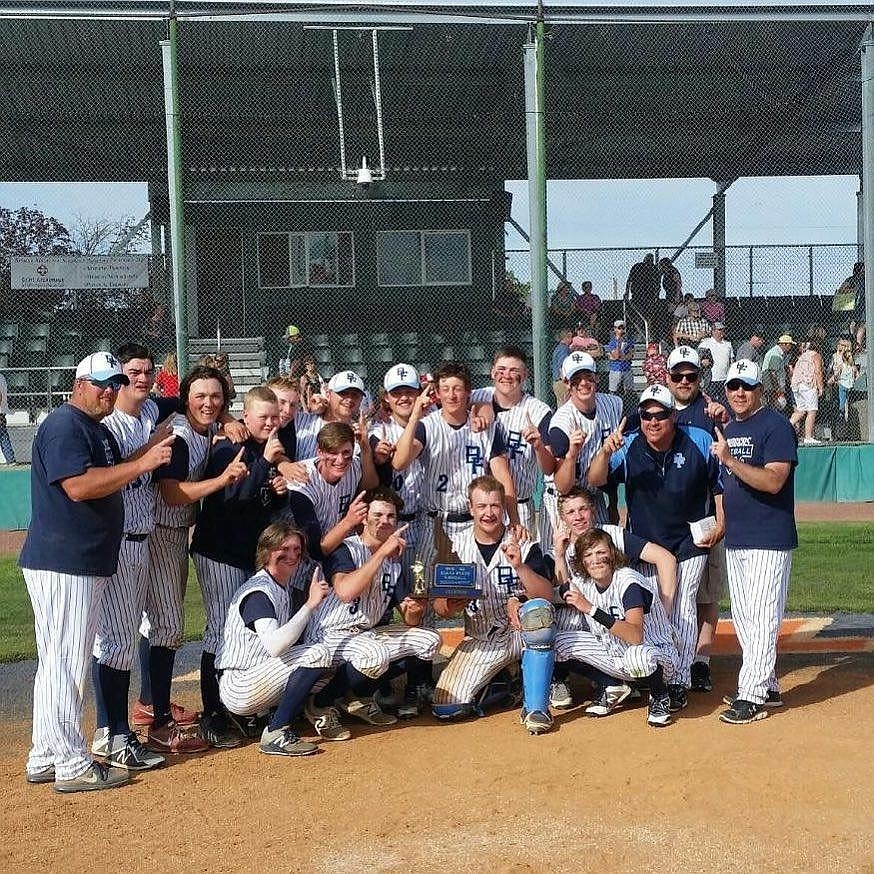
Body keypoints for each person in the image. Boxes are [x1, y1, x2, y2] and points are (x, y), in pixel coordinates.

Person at [19, 351, 174, 792]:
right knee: (67, 664)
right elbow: (79, 486)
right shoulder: (65, 424)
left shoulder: (93, 427)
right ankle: (71, 763)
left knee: (55, 662)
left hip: (75, 560)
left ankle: (45, 753)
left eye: (114, 382)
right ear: (79, 383)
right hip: (67, 561)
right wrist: (142, 465)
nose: (110, 389)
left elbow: (111, 470)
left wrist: (146, 451)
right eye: (102, 382)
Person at [588, 383, 723, 713]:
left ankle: (678, 681)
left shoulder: (699, 440)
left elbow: (718, 484)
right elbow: (595, 479)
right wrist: (605, 451)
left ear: (672, 416)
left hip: (691, 540)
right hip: (646, 544)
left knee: (682, 602)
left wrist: (721, 523)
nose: (652, 421)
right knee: (656, 612)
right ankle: (657, 670)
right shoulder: (630, 445)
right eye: (646, 415)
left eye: (660, 414)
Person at [143, 365, 247, 754]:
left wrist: (225, 417)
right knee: (167, 625)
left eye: (216, 396)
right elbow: (171, 493)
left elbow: (212, 408)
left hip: (165, 531)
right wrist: (221, 481)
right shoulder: (183, 437)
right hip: (159, 531)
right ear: (186, 398)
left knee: (152, 623)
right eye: (200, 396)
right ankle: (159, 722)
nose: (208, 402)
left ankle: (149, 706)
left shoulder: (203, 424)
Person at [90, 343, 181, 773]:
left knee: (122, 638)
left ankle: (114, 732)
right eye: (133, 372)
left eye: (147, 371)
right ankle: (114, 732)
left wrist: (227, 421)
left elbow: (181, 399)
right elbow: (107, 476)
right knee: (115, 641)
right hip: (121, 540)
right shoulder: (108, 424)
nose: (141, 379)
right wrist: (148, 453)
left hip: (144, 540)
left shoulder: (149, 412)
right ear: (119, 378)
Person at [190, 386, 292, 748]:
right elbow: (233, 497)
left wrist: (278, 488)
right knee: (219, 629)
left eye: (273, 416)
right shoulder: (226, 448)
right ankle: (212, 714)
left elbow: (259, 505)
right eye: (261, 417)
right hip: (218, 553)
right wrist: (265, 462)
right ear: (244, 418)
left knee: (248, 633)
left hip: (245, 555)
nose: (269, 422)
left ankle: (241, 708)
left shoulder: (269, 450)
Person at [303, 488, 441, 737]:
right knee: (375, 655)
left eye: (390, 516)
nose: (384, 521)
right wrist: (381, 554)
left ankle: (355, 697)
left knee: (429, 640)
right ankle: (321, 703)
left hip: (363, 636)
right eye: (377, 515)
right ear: (364, 518)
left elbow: (410, 619)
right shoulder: (345, 549)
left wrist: (415, 609)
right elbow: (345, 591)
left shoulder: (393, 562)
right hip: (329, 635)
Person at [710, 360, 797, 724]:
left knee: (762, 617)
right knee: (745, 618)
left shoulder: (775, 427)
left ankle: (751, 694)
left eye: (746, 386)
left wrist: (730, 460)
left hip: (769, 537)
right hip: (740, 538)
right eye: (733, 387)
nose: (739, 393)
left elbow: (774, 481)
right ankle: (770, 684)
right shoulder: (730, 426)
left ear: (759, 389)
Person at [430, 476, 553, 730]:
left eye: (495, 506)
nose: (489, 513)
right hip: (482, 638)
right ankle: (505, 680)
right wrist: (450, 605)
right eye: (482, 506)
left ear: (503, 508)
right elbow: (439, 607)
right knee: (447, 707)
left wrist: (519, 568)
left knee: (539, 613)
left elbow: (546, 596)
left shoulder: (523, 541)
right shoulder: (453, 544)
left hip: (521, 632)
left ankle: (537, 709)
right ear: (471, 508)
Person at [548, 487, 677, 710]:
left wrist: (664, 609)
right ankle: (611, 684)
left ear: (593, 510)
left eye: (583, 509)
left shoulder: (613, 538)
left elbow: (665, 558)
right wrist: (559, 556)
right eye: (570, 512)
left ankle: (660, 693)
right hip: (602, 624)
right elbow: (564, 591)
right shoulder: (564, 548)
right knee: (556, 639)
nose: (578, 517)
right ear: (562, 518)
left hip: (633, 625)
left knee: (637, 656)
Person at [216, 522, 335, 757]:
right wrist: (310, 604)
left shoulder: (280, 585)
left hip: (256, 675)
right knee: (317, 655)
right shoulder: (259, 592)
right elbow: (275, 646)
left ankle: (282, 714)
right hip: (239, 683)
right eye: (285, 549)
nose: (292, 556)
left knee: (328, 668)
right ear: (267, 552)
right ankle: (276, 730)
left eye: (297, 551)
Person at [392, 360, 520, 567]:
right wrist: (415, 414)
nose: (451, 395)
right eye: (446, 389)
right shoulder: (427, 426)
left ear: (468, 392)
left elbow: (503, 476)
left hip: (473, 523)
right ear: (438, 393)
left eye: (457, 389)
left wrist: (514, 519)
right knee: (427, 589)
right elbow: (399, 462)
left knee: (473, 589)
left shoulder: (486, 428)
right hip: (434, 521)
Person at [469, 346, 554, 534]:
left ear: (525, 375)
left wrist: (539, 446)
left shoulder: (539, 411)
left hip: (521, 506)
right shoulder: (476, 397)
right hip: (478, 507)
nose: (506, 375)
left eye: (514, 370)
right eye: (501, 369)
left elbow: (549, 468)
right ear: (492, 372)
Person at [286, 421, 379, 561]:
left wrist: (365, 447)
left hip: (334, 546)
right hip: (298, 557)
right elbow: (316, 550)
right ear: (320, 452)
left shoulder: (353, 465)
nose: (340, 460)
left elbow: (371, 486)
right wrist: (349, 521)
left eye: (346, 452)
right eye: (333, 452)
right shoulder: (302, 480)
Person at [549, 350, 623, 523]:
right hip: (562, 498)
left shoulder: (614, 405)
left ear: (596, 378)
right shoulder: (561, 424)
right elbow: (562, 485)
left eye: (588, 377)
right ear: (567, 383)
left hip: (593, 494)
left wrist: (613, 505)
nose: (583, 383)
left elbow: (609, 471)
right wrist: (572, 455)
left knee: (602, 547)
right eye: (576, 379)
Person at [789, 336, 825, 445]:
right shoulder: (816, 355)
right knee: (812, 410)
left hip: (796, 385)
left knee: (800, 410)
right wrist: (821, 387)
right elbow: (818, 372)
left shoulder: (802, 356)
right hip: (808, 384)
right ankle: (808, 437)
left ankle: (783, 429)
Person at [624, 253, 661, 339]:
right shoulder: (640, 267)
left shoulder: (653, 269)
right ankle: (641, 333)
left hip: (646, 295)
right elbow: (629, 281)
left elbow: (657, 284)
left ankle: (645, 333)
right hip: (641, 295)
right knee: (642, 315)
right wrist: (627, 292)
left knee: (646, 315)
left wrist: (627, 292)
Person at [698, 322, 734, 399]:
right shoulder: (705, 343)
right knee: (711, 401)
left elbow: (731, 361)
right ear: (713, 331)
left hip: (725, 379)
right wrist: (702, 362)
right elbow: (698, 359)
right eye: (719, 330)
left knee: (724, 402)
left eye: (723, 330)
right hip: (711, 379)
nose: (722, 332)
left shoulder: (728, 344)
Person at [827, 338, 858, 426]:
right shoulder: (834, 356)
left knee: (845, 402)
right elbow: (830, 368)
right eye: (839, 344)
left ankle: (845, 420)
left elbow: (852, 369)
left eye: (842, 345)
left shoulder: (848, 356)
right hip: (835, 381)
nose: (839, 346)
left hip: (843, 381)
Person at [762, 335, 795, 411]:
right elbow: (772, 372)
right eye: (790, 345)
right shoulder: (776, 354)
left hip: (772, 387)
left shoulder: (778, 353)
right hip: (772, 387)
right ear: (784, 344)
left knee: (774, 406)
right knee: (776, 406)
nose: (791, 347)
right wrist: (777, 389)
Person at [604, 320, 635, 396]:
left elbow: (631, 355)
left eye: (623, 328)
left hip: (627, 368)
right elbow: (616, 356)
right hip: (615, 369)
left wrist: (623, 357)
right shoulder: (612, 342)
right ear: (615, 329)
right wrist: (619, 343)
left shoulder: (629, 341)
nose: (621, 330)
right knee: (613, 392)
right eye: (619, 328)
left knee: (629, 391)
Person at [550, 329, 573, 406]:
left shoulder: (558, 348)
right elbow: (562, 365)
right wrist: (565, 380)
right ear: (567, 338)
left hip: (556, 382)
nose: (572, 339)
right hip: (562, 382)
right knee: (566, 406)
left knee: (561, 406)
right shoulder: (564, 349)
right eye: (571, 337)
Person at [0, 369, 17, 464]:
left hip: (0, 411)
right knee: (3, 435)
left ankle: (10, 459)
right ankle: (10, 459)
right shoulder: (2, 377)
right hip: (2, 411)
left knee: (3, 436)